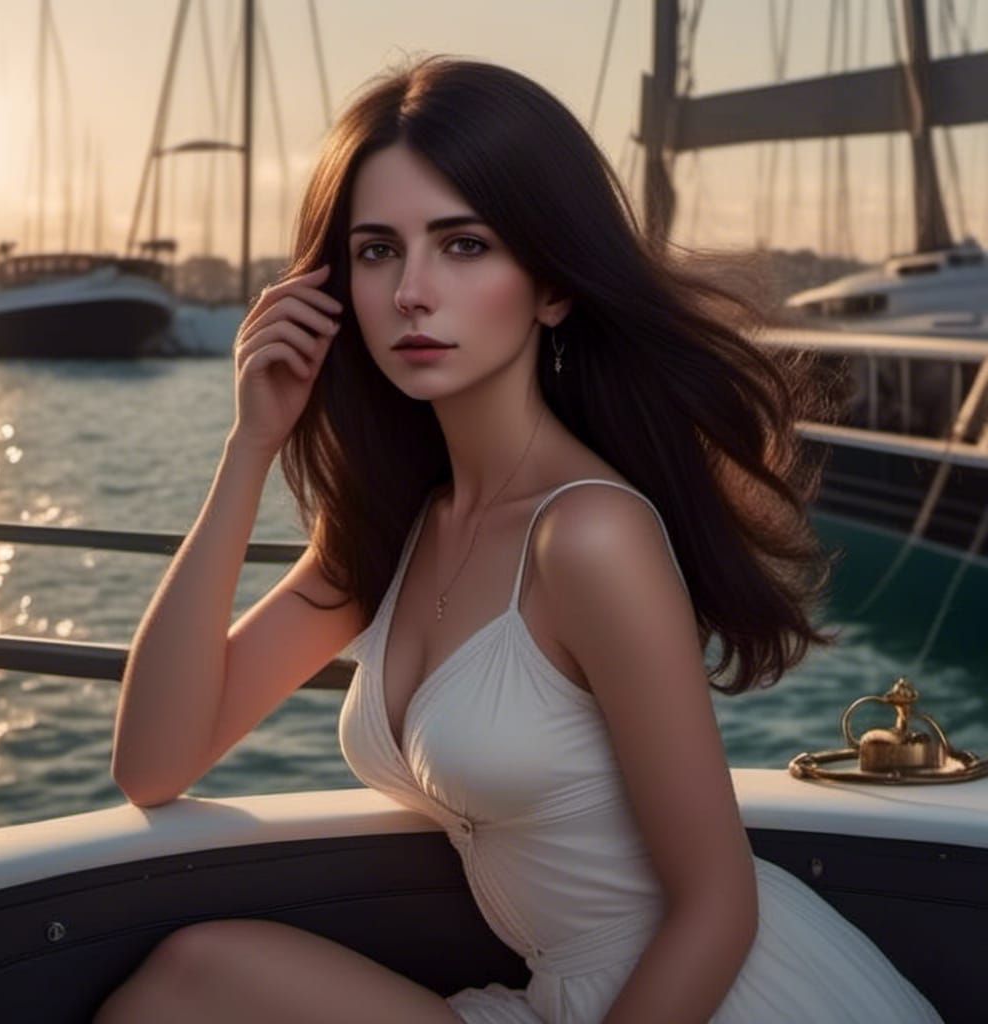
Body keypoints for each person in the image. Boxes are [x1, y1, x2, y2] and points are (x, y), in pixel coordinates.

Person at [97, 55, 943, 1024]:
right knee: (193, 976)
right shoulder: (394, 527)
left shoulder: (589, 534)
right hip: (558, 999)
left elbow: (717, 909)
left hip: (703, 996)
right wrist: (249, 447)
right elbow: (153, 763)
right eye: (377, 251)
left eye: (462, 245)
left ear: (551, 286)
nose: (412, 290)